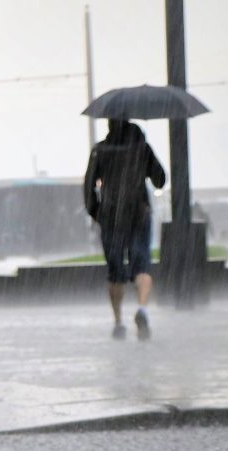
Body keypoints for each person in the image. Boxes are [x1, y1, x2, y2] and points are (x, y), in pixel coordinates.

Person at [84, 119, 165, 341]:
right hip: (139, 213)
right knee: (142, 265)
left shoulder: (100, 150)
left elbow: (89, 185)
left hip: (111, 215)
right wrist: (146, 158)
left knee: (115, 270)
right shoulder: (142, 148)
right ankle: (142, 309)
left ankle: (118, 322)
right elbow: (160, 180)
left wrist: (97, 212)